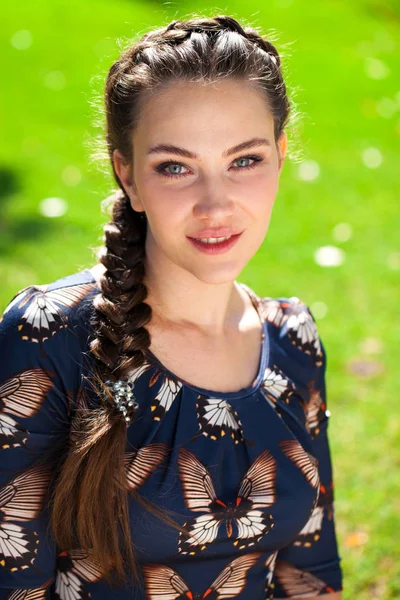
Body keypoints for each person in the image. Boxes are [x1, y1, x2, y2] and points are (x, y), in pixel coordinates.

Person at [0, 14, 343, 600]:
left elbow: (310, 569)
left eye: (245, 160)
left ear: (281, 157)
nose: (216, 205)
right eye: (175, 167)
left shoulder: (292, 338)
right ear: (127, 175)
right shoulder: (50, 335)